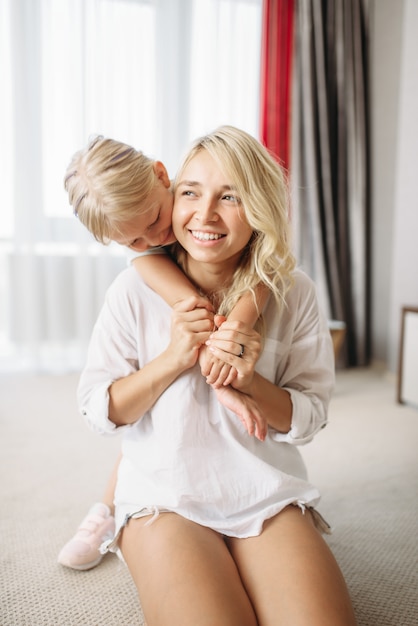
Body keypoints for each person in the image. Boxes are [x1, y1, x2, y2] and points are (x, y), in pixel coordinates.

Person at [73, 125, 357, 625]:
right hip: (165, 496)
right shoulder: (132, 288)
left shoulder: (294, 293)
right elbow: (101, 410)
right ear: (176, 189)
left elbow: (309, 416)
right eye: (191, 193)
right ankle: (104, 513)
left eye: (231, 196)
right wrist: (176, 357)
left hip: (262, 491)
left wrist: (250, 384)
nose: (203, 215)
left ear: (261, 205)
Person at [58, 135, 268, 570]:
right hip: (181, 365)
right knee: (149, 425)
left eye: (155, 218)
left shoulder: (205, 205)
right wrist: (211, 342)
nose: (152, 237)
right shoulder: (145, 254)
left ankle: (107, 508)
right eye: (131, 239)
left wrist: (241, 322)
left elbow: (269, 266)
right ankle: (105, 509)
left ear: (162, 175)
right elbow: (154, 268)